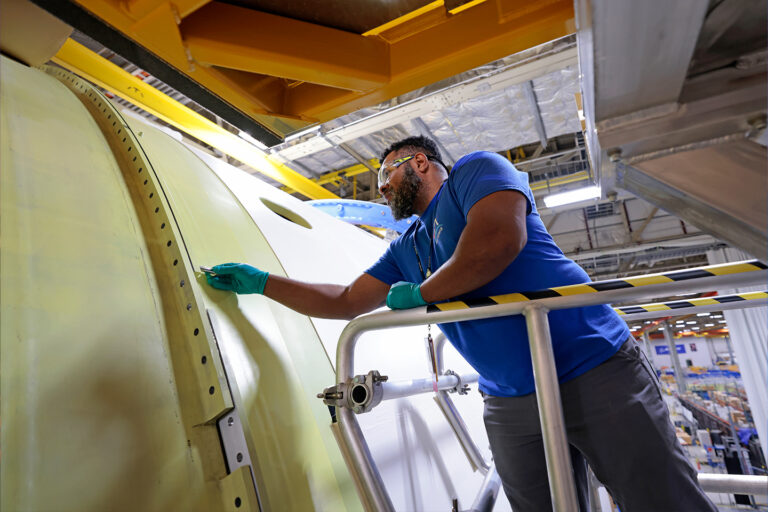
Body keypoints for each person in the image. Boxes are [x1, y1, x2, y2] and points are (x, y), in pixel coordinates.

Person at [207, 136, 716, 512]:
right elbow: (345, 300)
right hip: (510, 398)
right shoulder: (408, 247)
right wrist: (262, 283)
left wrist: (423, 294)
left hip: (593, 368)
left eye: (386, 174)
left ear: (420, 162)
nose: (381, 188)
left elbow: (496, 243)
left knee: (661, 501)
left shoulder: (475, 173)